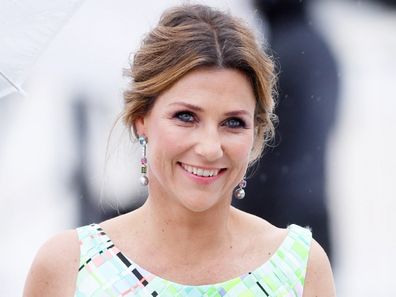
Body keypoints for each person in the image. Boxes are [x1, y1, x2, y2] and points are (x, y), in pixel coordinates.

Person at [23, 4, 335, 297]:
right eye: (186, 117)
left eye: (233, 123)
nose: (210, 148)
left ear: (256, 134)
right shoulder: (69, 265)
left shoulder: (299, 268)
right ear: (141, 119)